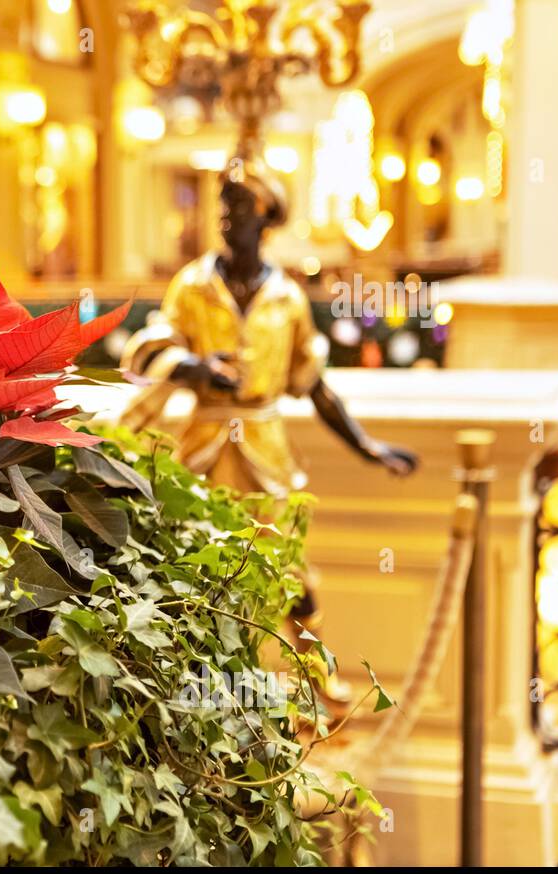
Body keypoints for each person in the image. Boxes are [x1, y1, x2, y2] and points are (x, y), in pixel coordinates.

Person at [120, 155, 418, 698]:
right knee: (193, 562)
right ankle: (196, 688)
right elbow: (151, 349)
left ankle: (315, 681)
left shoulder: (287, 298)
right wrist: (196, 368)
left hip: (265, 448)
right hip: (203, 448)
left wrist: (368, 446)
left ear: (266, 217)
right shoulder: (192, 286)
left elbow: (315, 386)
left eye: (238, 207)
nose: (226, 218)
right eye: (223, 207)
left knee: (286, 566)